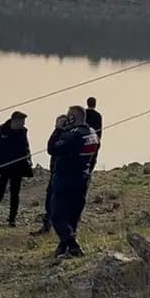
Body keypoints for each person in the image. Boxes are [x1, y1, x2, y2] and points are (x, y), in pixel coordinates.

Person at [47, 106, 100, 258]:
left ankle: (73, 245)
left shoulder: (72, 135)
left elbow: (52, 148)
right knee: (72, 216)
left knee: (57, 216)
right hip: (83, 177)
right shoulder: (92, 133)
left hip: (66, 178)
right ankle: (64, 247)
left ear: (72, 118)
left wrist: (57, 130)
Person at [0, 111, 33, 227]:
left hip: (17, 167)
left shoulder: (22, 132)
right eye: (21, 122)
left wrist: (28, 159)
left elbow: (26, 147)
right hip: (3, 167)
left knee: (15, 193)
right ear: (14, 121)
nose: (23, 124)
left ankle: (12, 219)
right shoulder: (1, 131)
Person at [30, 114, 67, 237]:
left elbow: (51, 148)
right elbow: (50, 148)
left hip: (63, 173)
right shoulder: (59, 134)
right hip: (55, 172)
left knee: (59, 202)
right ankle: (48, 226)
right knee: (49, 201)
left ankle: (63, 230)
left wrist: (58, 129)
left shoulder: (69, 135)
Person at [85, 97, 103, 171]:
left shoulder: (84, 113)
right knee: (92, 159)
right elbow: (100, 130)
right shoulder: (98, 115)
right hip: (94, 140)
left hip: (84, 139)